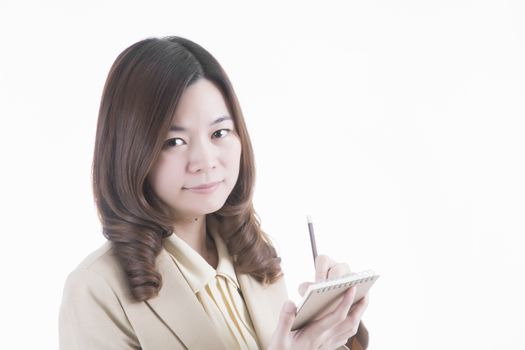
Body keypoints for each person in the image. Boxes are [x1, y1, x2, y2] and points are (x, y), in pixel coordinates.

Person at [59, 36, 370, 350]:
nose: (205, 161)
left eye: (219, 133)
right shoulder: (95, 290)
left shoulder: (252, 255)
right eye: (174, 142)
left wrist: (330, 325)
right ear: (129, 151)